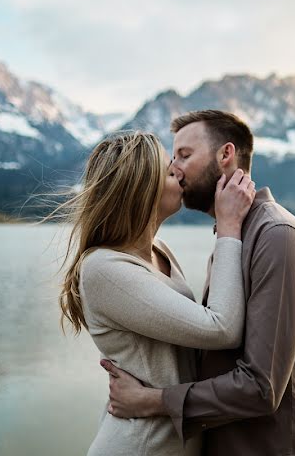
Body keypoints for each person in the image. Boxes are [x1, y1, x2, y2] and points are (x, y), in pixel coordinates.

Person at [101, 110, 295, 456]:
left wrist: (153, 401)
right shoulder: (233, 234)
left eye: (184, 155)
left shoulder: (276, 237)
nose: (174, 168)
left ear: (225, 155)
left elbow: (261, 386)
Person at [56, 130, 256, 456]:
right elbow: (222, 328)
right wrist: (229, 226)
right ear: (141, 189)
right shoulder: (104, 269)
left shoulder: (157, 250)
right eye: (167, 168)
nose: (178, 170)